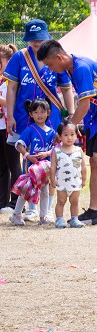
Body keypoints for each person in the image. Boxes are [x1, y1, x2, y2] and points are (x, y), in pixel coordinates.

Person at [37, 39, 97, 226]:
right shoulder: (71, 69)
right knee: (93, 161)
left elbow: (84, 104)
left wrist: (68, 127)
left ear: (60, 58)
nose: (50, 69)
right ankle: (94, 209)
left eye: (50, 64)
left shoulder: (81, 67)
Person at [4, 20, 74, 219]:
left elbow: (66, 88)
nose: (36, 42)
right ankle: (32, 207)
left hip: (51, 120)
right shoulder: (19, 57)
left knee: (51, 162)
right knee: (29, 162)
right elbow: (11, 88)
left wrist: (70, 116)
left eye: (40, 38)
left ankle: (48, 208)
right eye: (33, 38)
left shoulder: (55, 57)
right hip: (24, 118)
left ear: (47, 37)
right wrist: (10, 116)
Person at [11, 98, 56, 225]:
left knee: (45, 191)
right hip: (32, 168)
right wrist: (27, 156)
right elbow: (20, 145)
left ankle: (43, 216)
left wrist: (47, 153)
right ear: (30, 114)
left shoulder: (52, 132)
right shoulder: (30, 129)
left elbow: (57, 148)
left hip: (46, 169)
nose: (39, 115)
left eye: (42, 112)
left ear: (48, 112)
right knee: (26, 190)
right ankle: (16, 215)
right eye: (36, 112)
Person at [49, 121, 86, 228]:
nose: (69, 138)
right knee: (61, 201)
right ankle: (59, 219)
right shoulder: (56, 151)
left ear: (76, 135)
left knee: (75, 202)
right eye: (65, 135)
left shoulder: (79, 150)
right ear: (60, 136)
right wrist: (52, 180)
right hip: (62, 183)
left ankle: (75, 219)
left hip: (76, 182)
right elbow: (53, 167)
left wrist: (84, 179)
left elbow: (83, 166)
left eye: (72, 134)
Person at [0, 43, 22, 212]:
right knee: (2, 165)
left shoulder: (12, 80)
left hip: (11, 126)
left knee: (14, 164)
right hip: (1, 125)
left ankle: (16, 202)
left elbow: (12, 101)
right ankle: (3, 202)